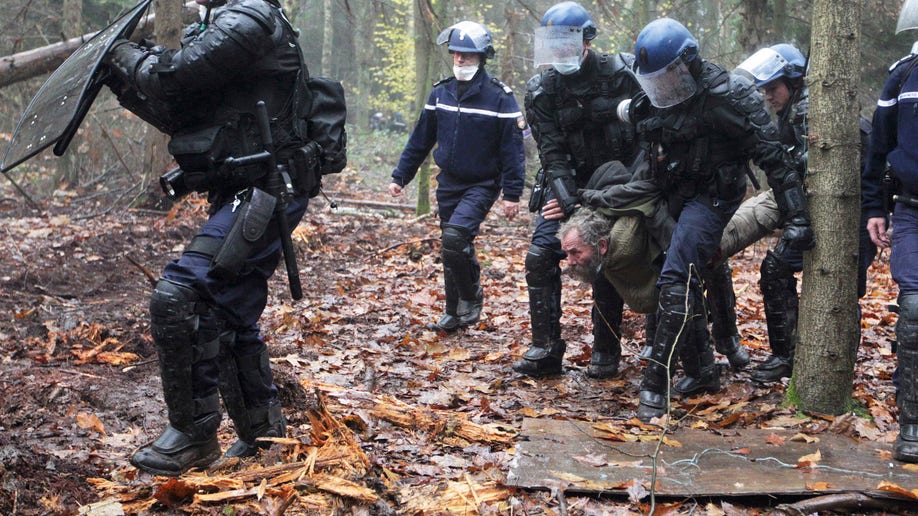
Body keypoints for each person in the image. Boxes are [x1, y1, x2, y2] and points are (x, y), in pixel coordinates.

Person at [102, 0, 326, 475]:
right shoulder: (222, 22)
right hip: (244, 186)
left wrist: (120, 53)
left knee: (180, 294)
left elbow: (174, 75)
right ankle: (264, 436)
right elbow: (180, 106)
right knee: (227, 308)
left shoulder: (252, 17)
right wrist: (120, 73)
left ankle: (192, 436)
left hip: (269, 188)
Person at [624, 18, 814, 421]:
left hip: (711, 197)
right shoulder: (650, 101)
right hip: (668, 193)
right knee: (672, 268)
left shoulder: (731, 96)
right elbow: (640, 141)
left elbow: (773, 159)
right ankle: (701, 369)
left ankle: (655, 386)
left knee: (677, 277)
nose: (665, 89)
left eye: (669, 78)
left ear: (688, 63)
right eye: (657, 81)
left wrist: (796, 216)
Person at [513, 1, 642, 379]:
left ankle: (606, 350)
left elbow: (645, 141)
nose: (559, 55)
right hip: (566, 188)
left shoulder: (622, 74)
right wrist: (569, 203)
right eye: (552, 47)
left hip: (621, 187)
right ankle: (546, 349)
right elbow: (551, 153)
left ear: (587, 42)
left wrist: (619, 197)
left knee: (604, 257)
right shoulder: (542, 90)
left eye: (566, 45)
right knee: (540, 256)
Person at [388, 21, 525, 332]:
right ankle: (453, 310)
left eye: (468, 55)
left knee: (455, 237)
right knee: (450, 246)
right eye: (456, 55)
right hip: (448, 181)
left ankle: (471, 296)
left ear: (482, 57)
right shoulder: (441, 92)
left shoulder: (501, 98)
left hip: (482, 183)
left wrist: (512, 194)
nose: (460, 60)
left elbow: (513, 150)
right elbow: (420, 139)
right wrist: (401, 176)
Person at [863, 0, 918, 463]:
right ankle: (913, 424)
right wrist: (874, 208)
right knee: (915, 307)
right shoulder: (903, 77)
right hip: (912, 211)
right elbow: (878, 149)